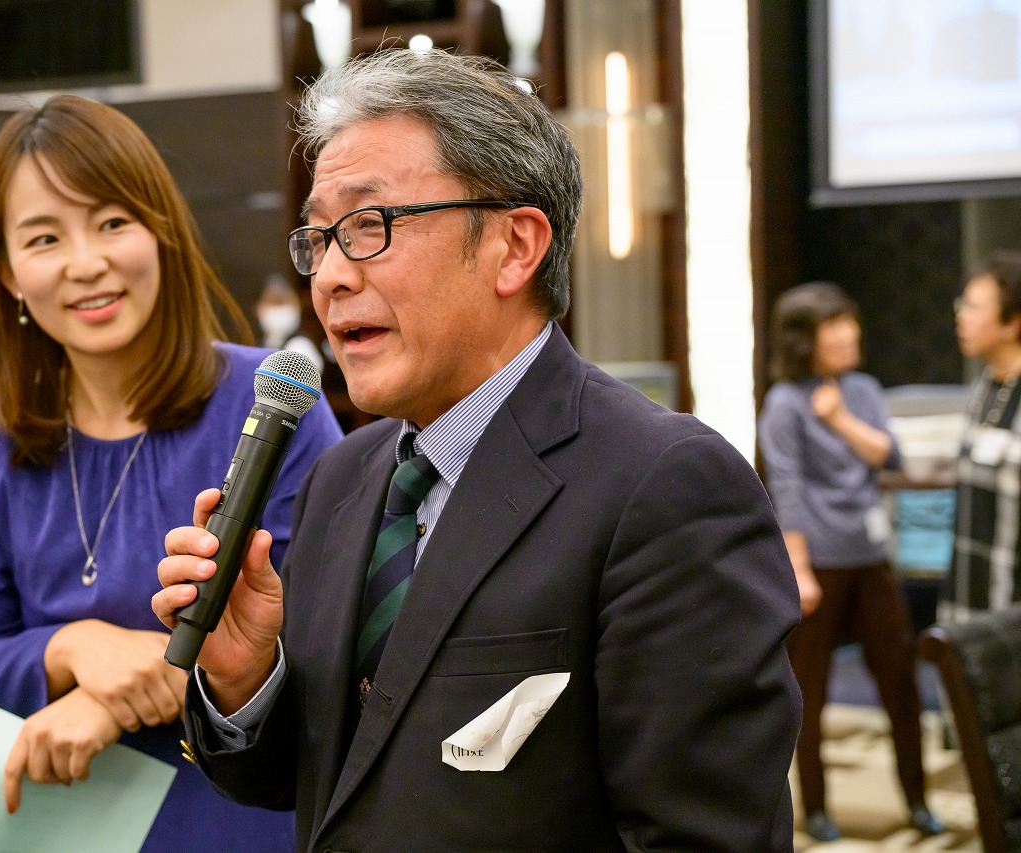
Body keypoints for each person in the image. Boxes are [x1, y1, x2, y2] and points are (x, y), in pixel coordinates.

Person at [153, 49, 803, 851]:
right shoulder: (341, 476)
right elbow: (328, 783)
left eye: (368, 226)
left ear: (515, 246)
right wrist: (245, 674)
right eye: (318, 237)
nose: (330, 277)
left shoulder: (666, 487)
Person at [0, 94, 342, 852]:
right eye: (44, 237)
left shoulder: (272, 403)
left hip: (243, 817)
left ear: (161, 230)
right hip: (60, 825)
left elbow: (319, 639)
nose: (87, 263)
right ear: (7, 271)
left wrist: (110, 702)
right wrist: (72, 646)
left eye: (113, 222)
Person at [758, 282, 942, 842]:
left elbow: (891, 456)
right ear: (803, 340)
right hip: (819, 562)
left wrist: (839, 419)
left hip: (871, 557)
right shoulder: (784, 403)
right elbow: (786, 488)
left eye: (849, 321)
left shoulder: (862, 389)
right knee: (808, 691)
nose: (849, 333)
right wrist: (799, 570)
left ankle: (918, 799)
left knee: (901, 682)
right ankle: (814, 807)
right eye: (834, 325)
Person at [952, 250, 1021, 612]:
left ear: (1012, 323)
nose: (961, 317)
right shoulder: (986, 385)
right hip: (975, 588)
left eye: (974, 307)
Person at [255, 274, 324, 372]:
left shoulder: (300, 347)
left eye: (283, 302)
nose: (279, 310)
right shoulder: (258, 346)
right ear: (258, 308)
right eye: (273, 302)